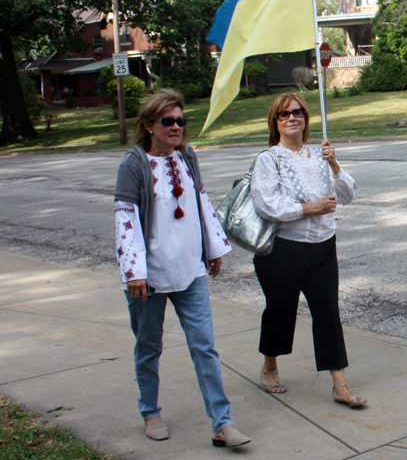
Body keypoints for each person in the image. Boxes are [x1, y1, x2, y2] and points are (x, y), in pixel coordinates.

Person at [114, 88, 251, 447]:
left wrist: (213, 246)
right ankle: (150, 412)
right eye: (168, 121)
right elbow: (125, 218)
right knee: (149, 347)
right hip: (150, 278)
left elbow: (201, 203)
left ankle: (222, 422)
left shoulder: (188, 157)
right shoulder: (134, 164)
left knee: (204, 346)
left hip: (190, 272)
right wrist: (134, 272)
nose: (176, 127)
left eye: (180, 120)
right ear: (148, 124)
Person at [250, 92, 366, 408]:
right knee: (280, 310)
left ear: (306, 118)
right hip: (284, 251)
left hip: (323, 248)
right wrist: (309, 208)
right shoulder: (269, 159)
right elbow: (267, 204)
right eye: (284, 114)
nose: (292, 118)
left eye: (298, 112)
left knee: (328, 313)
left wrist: (334, 161)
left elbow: (348, 195)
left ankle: (340, 385)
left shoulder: (319, 155)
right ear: (275, 122)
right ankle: (270, 366)